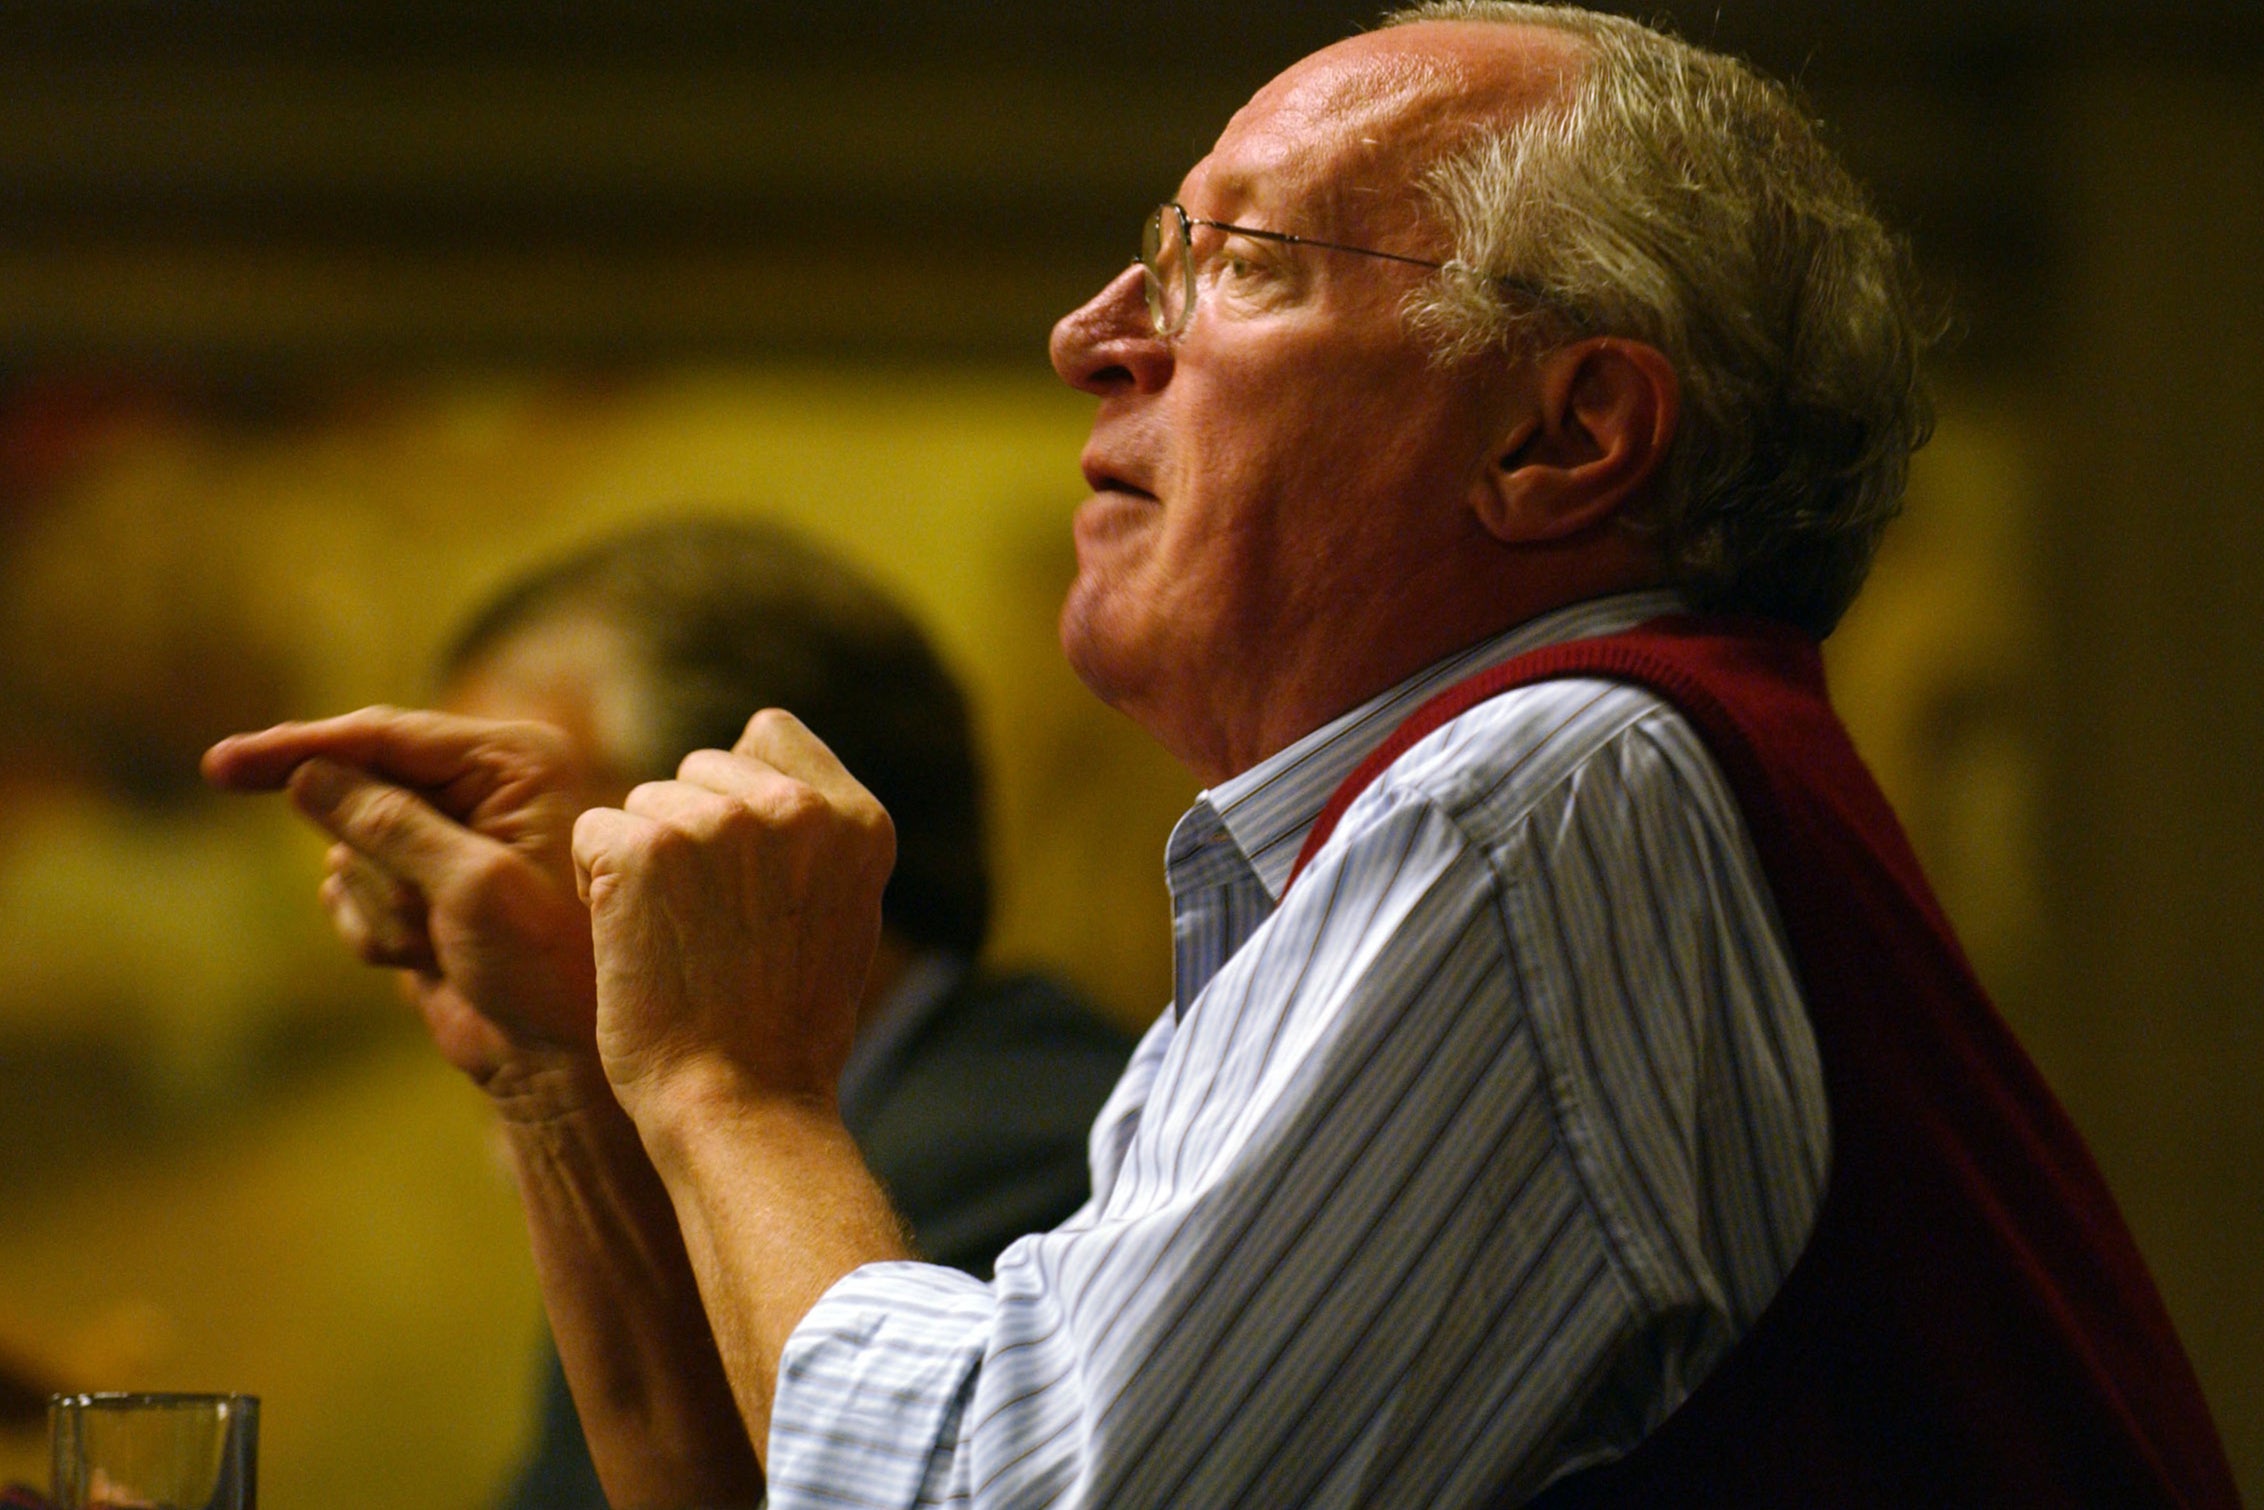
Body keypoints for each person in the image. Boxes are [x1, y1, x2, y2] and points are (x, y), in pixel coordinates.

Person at [206, 4, 2242, 1507]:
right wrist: (578, 1060)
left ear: (1562, 434)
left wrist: (731, 1080)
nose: (1092, 333)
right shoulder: (1533, 797)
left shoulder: (1539, 787)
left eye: (1240, 263)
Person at [416, 517, 1135, 1508]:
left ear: (737, 831)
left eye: (484, 816)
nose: (438, 900)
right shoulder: (656, 1172)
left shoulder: (1025, 1143)